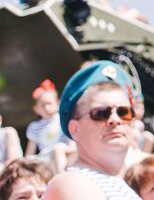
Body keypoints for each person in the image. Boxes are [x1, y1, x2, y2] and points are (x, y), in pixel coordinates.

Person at [43, 60, 140, 200]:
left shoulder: (123, 186)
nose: (115, 119)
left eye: (124, 112)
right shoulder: (73, 183)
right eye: (101, 113)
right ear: (75, 129)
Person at [24, 82, 74, 174]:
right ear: (36, 109)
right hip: (44, 159)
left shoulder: (64, 120)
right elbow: (29, 152)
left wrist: (61, 150)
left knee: (58, 149)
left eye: (49, 104)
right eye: (42, 105)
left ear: (58, 103)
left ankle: (62, 177)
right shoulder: (34, 127)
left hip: (64, 155)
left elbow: (73, 144)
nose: (47, 108)